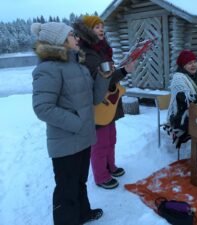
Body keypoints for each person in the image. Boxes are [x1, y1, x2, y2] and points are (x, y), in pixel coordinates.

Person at [31, 22, 112, 225]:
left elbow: (94, 99)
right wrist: (78, 124)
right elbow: (43, 108)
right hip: (65, 143)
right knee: (66, 189)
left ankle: (83, 213)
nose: (77, 38)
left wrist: (104, 78)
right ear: (59, 40)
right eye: (71, 35)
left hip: (83, 138)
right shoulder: (47, 69)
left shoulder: (78, 65)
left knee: (80, 182)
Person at [73, 16, 135, 189]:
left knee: (111, 138)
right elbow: (99, 79)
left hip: (109, 101)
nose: (101, 29)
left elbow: (107, 75)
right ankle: (101, 176)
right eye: (96, 27)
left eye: (102, 26)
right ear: (87, 30)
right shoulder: (87, 52)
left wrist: (121, 69)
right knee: (99, 143)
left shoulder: (102, 49)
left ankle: (110, 166)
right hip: (98, 104)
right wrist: (124, 71)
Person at [167, 50, 197, 177]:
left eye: (194, 62)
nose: (193, 65)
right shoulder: (178, 79)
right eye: (189, 63)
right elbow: (188, 99)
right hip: (181, 116)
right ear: (183, 65)